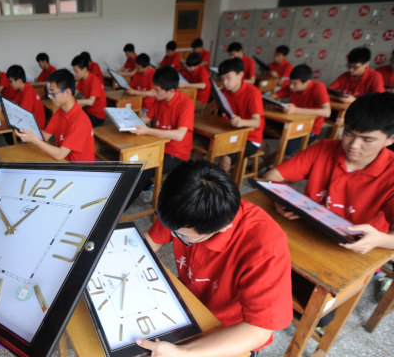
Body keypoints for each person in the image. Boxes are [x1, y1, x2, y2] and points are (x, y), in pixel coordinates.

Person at [262, 92, 394, 327]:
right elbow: (272, 176)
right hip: (306, 237)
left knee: (313, 312)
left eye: (367, 139)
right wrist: (282, 200)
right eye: (350, 133)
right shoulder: (324, 148)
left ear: (390, 139)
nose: (354, 145)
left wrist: (381, 239)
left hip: (349, 257)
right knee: (254, 269)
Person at [137, 160, 292, 356]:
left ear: (222, 228)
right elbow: (149, 242)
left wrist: (185, 354)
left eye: (182, 236)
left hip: (228, 334)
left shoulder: (265, 247)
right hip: (189, 309)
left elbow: (258, 331)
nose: (172, 236)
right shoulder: (184, 206)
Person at [127, 65, 194, 207]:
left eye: (157, 90)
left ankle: (118, 210)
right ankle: (151, 186)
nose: (154, 92)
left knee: (141, 170)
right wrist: (127, 122)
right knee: (128, 159)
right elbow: (145, 119)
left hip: (175, 153)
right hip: (157, 145)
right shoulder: (160, 99)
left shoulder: (186, 104)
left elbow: (179, 135)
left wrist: (147, 131)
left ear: (171, 90)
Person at [15, 69, 95, 162]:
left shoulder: (80, 121)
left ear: (67, 92)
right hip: (65, 162)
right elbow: (45, 136)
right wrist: (28, 131)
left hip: (81, 171)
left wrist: (34, 140)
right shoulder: (60, 113)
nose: (51, 97)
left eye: (53, 94)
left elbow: (60, 154)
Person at [269, 64, 331, 155]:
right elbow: (272, 97)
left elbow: (327, 112)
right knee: (266, 130)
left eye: (295, 84)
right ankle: (268, 163)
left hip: (310, 129)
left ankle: (270, 165)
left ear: (307, 82)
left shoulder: (318, 87)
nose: (291, 86)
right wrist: (270, 103)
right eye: (290, 82)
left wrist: (296, 110)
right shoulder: (291, 87)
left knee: (287, 148)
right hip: (292, 124)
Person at [217, 58, 265, 173]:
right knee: (199, 147)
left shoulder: (253, 92)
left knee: (226, 158)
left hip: (250, 138)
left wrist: (242, 122)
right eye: (222, 78)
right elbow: (210, 107)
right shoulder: (224, 91)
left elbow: (256, 122)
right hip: (230, 132)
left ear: (240, 75)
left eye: (228, 77)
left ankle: (219, 188)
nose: (225, 82)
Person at [5, 65, 46, 129]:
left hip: (36, 128)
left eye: (11, 81)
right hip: (29, 122)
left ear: (19, 81)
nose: (9, 84)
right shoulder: (21, 89)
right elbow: (14, 102)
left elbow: (22, 115)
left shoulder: (28, 93)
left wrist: (4, 109)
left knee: (7, 127)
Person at [71, 54, 107, 127]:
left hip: (97, 116)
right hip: (88, 111)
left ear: (84, 70)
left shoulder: (94, 80)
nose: (74, 74)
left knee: (76, 124)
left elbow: (91, 102)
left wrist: (72, 101)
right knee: (71, 117)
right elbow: (73, 94)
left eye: (76, 71)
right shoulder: (81, 80)